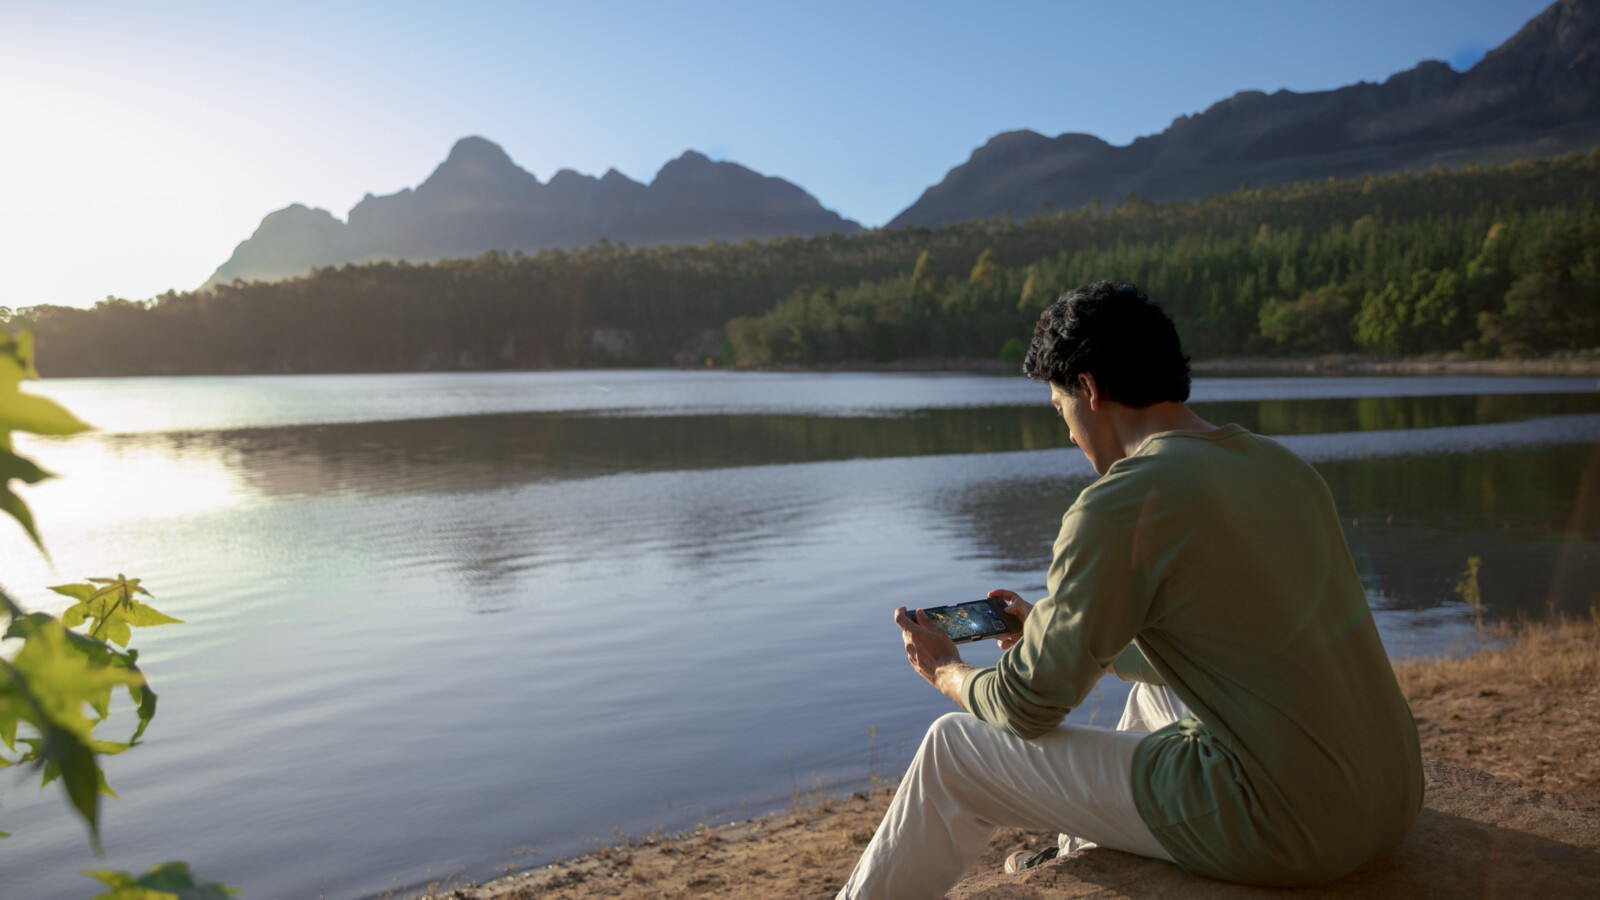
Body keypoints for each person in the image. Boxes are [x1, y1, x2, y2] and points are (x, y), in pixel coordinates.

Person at [836, 281, 1423, 899]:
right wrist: (1056, 628)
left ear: (1090, 389)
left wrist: (949, 672)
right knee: (1151, 700)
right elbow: (1231, 636)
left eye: (1060, 408)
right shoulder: (1285, 469)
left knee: (952, 749)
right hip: (1389, 798)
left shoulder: (1119, 502)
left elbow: (1028, 705)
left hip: (1286, 824)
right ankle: (1081, 853)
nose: (1067, 432)